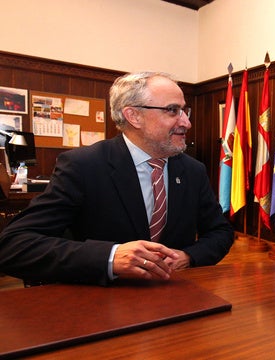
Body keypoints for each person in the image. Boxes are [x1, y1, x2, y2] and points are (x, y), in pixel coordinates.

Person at [0, 72, 234, 286]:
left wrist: (189, 257)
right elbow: (13, 245)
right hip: (100, 303)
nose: (186, 122)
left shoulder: (193, 171)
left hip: (172, 298)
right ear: (133, 115)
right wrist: (110, 258)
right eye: (172, 110)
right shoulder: (83, 166)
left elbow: (220, 232)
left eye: (185, 111)